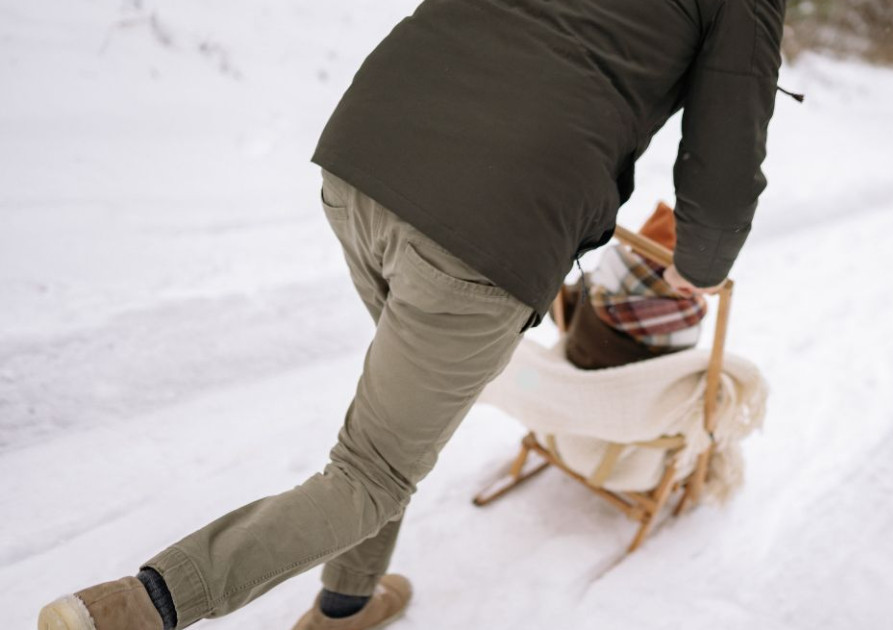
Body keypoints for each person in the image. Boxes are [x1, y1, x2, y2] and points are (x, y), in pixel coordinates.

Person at [37, 0, 785, 628]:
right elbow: (722, 167)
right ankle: (136, 608)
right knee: (372, 474)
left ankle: (347, 603)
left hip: (367, 150)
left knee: (385, 437)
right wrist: (700, 270)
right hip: (491, 219)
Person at [563, 202, 710, 370]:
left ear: (636, 253)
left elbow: (561, 308)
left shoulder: (600, 282)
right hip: (640, 384)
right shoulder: (688, 321)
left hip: (579, 361)